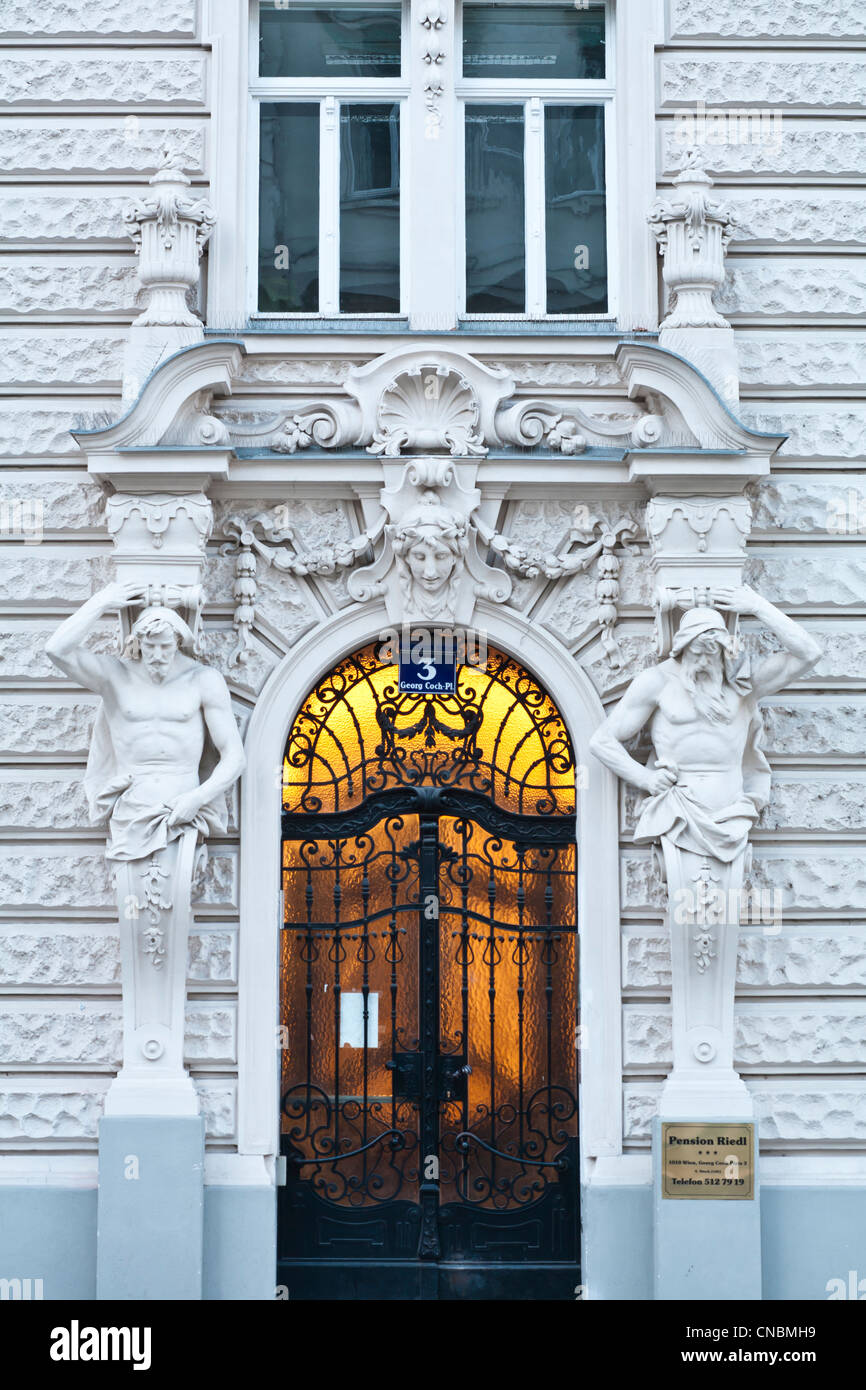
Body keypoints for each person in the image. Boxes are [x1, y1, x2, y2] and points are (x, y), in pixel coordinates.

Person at [46, 581, 245, 862]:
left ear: (178, 642)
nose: (157, 656)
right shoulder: (115, 676)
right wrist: (101, 602)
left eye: (165, 647)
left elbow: (235, 757)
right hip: (131, 810)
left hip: (183, 808)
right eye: (150, 647)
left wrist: (197, 799)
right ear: (138, 643)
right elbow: (56, 650)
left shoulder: (203, 680)